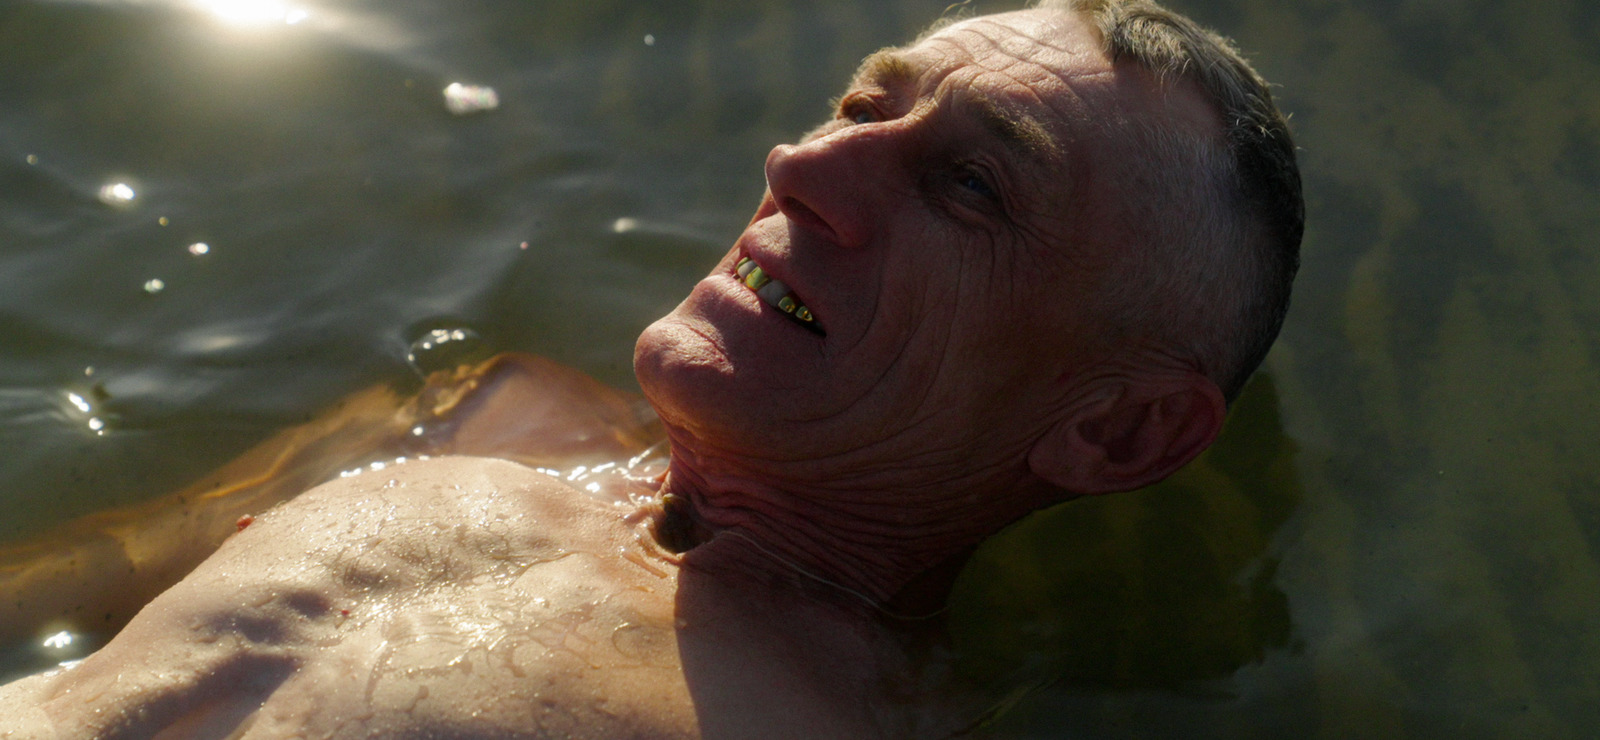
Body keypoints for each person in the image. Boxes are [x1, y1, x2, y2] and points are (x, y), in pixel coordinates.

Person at [0, 0, 1301, 736]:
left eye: (968, 183)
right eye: (860, 107)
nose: (802, 170)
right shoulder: (493, 418)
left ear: (1121, 434)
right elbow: (82, 578)